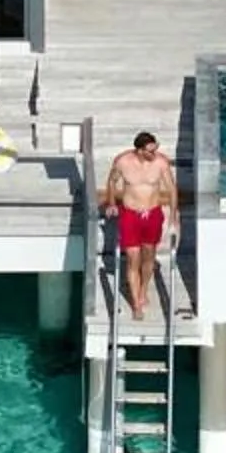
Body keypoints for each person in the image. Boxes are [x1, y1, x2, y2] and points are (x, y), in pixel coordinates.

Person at [98, 131, 177, 319]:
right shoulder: (123, 162)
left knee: (149, 256)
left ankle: (143, 291)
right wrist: (110, 202)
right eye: (150, 151)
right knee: (133, 258)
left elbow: (172, 190)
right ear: (140, 150)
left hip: (152, 214)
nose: (154, 153)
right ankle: (136, 304)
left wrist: (174, 216)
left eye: (155, 149)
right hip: (130, 214)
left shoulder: (160, 163)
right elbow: (112, 180)